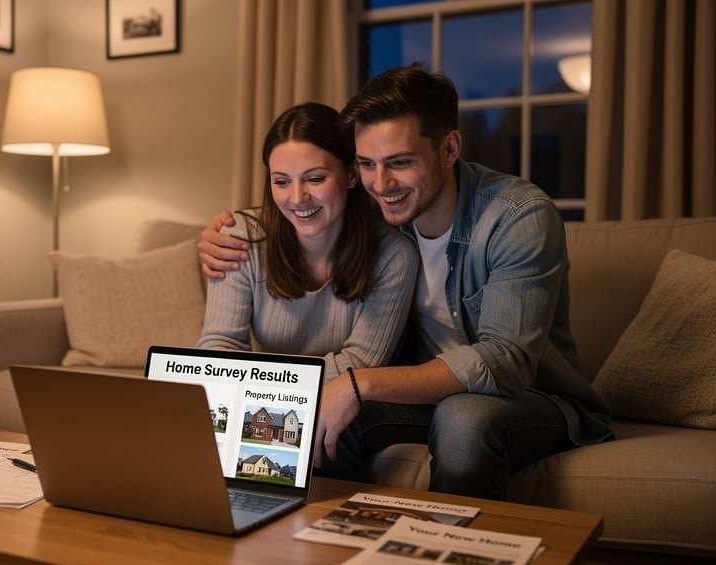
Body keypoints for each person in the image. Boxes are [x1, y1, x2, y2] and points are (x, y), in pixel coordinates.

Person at [198, 65, 613, 500]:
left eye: (400, 163)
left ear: (450, 148)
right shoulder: (377, 213)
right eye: (367, 165)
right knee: (323, 418)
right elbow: (307, 207)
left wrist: (363, 384)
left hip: (529, 398)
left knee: (462, 419)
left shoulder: (518, 216)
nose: (381, 184)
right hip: (419, 396)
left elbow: (505, 361)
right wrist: (214, 236)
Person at [197, 102, 418, 384]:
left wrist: (258, 378)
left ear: (351, 175)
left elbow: (360, 364)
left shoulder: (394, 255)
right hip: (255, 400)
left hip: (344, 409)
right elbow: (217, 348)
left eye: (315, 178)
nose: (298, 198)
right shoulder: (240, 237)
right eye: (281, 182)